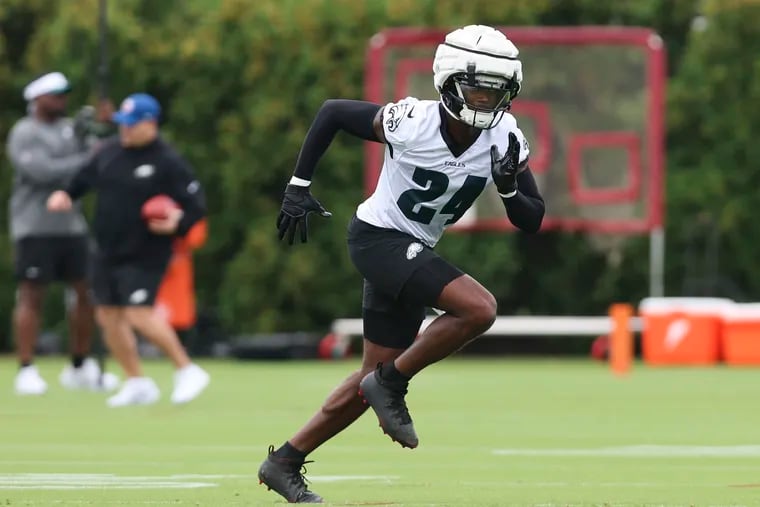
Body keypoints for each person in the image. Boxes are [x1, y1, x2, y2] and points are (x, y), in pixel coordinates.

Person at [258, 25, 545, 503]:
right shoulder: (411, 120)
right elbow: (332, 113)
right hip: (378, 238)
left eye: (496, 93)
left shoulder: (504, 136)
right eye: (477, 88)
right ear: (450, 82)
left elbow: (532, 219)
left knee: (369, 374)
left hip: (410, 249)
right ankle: (391, 386)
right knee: (479, 309)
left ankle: (284, 460)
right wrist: (297, 185)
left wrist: (510, 186)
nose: (485, 102)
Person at [46, 92, 211, 407]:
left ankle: (187, 370)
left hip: (146, 251)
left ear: (150, 124)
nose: (125, 130)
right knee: (108, 316)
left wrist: (177, 223)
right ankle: (136, 381)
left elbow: (195, 207)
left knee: (138, 314)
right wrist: (65, 195)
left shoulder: (168, 160)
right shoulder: (108, 152)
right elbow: (82, 179)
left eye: (132, 125)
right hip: (106, 249)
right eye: (123, 124)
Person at [6, 71, 118, 395]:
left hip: (72, 226)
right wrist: (85, 158)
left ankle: (80, 365)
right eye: (56, 95)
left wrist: (100, 127)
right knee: (32, 295)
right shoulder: (24, 132)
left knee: (85, 293)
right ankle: (26, 369)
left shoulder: (71, 130)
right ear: (37, 99)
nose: (62, 100)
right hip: (34, 226)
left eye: (64, 94)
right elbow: (41, 172)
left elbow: (103, 157)